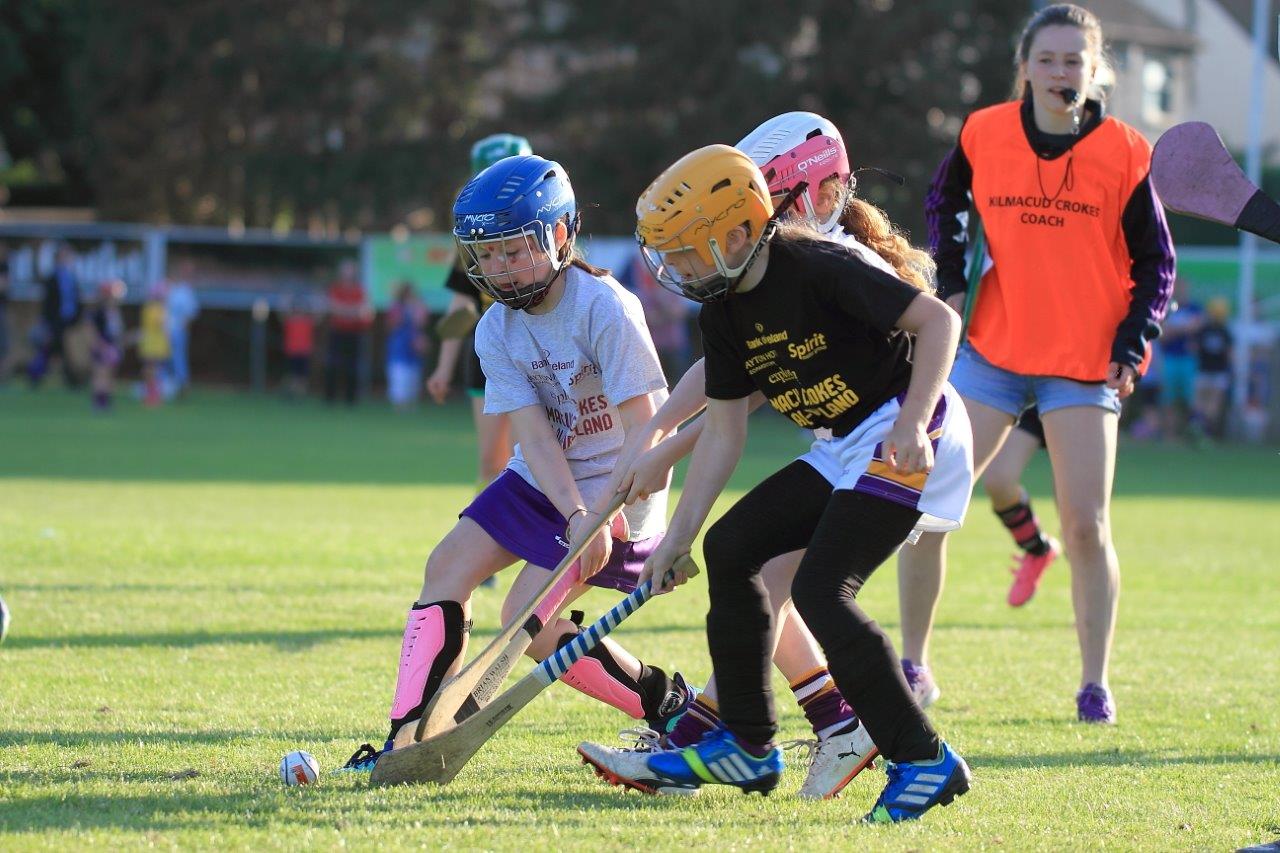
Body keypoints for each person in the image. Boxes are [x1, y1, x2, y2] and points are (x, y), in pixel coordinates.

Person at [585, 143, 973, 823]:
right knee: (732, 547)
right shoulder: (724, 309)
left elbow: (939, 320)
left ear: (736, 233)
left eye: (684, 252)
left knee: (824, 590)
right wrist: (678, 538)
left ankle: (923, 759)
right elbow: (726, 435)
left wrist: (913, 420)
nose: (674, 271)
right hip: (841, 442)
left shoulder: (817, 264)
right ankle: (749, 742)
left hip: (907, 425)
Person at [340, 154, 696, 773]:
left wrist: (602, 516)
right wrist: (572, 511)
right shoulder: (495, 330)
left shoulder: (604, 307)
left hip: (625, 481)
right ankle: (405, 742)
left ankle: (673, 709)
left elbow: (650, 426)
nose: (499, 268)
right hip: (550, 479)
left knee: (525, 623)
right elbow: (532, 436)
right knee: (446, 565)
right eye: (487, 253)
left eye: (514, 249)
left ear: (559, 235)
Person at [900, 3, 1175, 722]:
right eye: (1048, 60)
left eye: (1074, 61)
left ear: (1095, 71)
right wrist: (952, 281)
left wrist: (1132, 341)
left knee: (1086, 526)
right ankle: (914, 665)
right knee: (927, 508)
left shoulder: (1124, 151)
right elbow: (943, 202)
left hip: (1082, 362)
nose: (1061, 73)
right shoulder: (984, 132)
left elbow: (1157, 262)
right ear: (1024, 68)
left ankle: (1093, 684)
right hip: (992, 350)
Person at [428, 133, 534, 588]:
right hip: (490, 360)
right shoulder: (470, 237)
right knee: (493, 462)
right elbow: (461, 309)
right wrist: (443, 366)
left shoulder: (547, 224)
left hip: (541, 355)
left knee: (549, 457)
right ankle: (484, 552)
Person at [981, 407, 1061, 608]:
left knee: (1079, 521)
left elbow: (1122, 373)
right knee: (998, 481)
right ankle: (1038, 549)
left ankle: (1088, 620)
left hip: (1080, 390)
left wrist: (1125, 373)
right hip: (1029, 391)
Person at [28, 244, 83, 389]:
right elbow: (48, 302)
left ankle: (36, 376)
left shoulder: (72, 277)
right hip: (55, 320)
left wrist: (77, 318)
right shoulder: (52, 278)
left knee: (56, 349)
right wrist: (46, 320)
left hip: (68, 320)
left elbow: (76, 300)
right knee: (57, 349)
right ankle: (70, 379)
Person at [1158, 279, 1202, 441]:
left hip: (1188, 360)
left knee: (1190, 399)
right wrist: (1183, 329)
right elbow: (1162, 334)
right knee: (1169, 398)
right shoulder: (1166, 307)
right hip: (1169, 359)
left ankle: (1190, 433)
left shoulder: (1194, 308)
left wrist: (1174, 330)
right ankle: (1170, 435)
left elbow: (1196, 327)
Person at [324, 260, 371, 405]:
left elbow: (362, 310)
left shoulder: (359, 290)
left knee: (352, 366)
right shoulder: (335, 289)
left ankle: (350, 399)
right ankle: (329, 398)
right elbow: (333, 307)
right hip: (337, 332)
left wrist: (345, 310)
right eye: (345, 270)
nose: (348, 273)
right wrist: (351, 310)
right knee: (333, 364)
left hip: (354, 333)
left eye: (350, 270)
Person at [1192, 297, 1233, 439]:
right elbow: (1229, 354)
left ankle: (1198, 427)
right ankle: (1205, 431)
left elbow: (1194, 348)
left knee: (1200, 402)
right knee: (1213, 405)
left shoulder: (1204, 330)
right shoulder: (1225, 332)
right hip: (1219, 372)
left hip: (1203, 369)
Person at [385, 281, 429, 410]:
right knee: (399, 376)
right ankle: (399, 404)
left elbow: (421, 322)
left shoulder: (417, 306)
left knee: (413, 376)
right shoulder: (396, 307)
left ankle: (410, 404)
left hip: (413, 348)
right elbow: (393, 324)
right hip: (400, 346)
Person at [88, 279, 126, 411]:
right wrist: (99, 345)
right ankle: (99, 401)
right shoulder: (98, 313)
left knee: (110, 375)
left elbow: (117, 332)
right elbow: (93, 331)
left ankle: (107, 400)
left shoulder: (115, 313)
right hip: (102, 346)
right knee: (100, 374)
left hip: (112, 347)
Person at [165, 261, 201, 399]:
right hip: (165, 330)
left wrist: (181, 329)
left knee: (178, 358)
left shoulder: (186, 291)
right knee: (165, 358)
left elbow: (190, 313)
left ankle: (183, 387)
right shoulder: (170, 288)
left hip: (178, 331)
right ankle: (167, 387)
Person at [138, 282, 170, 407]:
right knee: (151, 370)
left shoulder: (153, 307)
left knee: (154, 370)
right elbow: (159, 324)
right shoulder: (155, 308)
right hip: (153, 343)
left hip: (154, 342)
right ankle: (151, 395)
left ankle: (153, 395)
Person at [281, 294, 317, 399]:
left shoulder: (308, 320)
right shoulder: (290, 320)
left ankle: (300, 396)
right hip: (292, 351)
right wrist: (285, 301)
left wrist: (316, 302)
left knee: (303, 376)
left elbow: (318, 317)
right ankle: (292, 394)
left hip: (304, 352)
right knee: (293, 375)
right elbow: (283, 315)